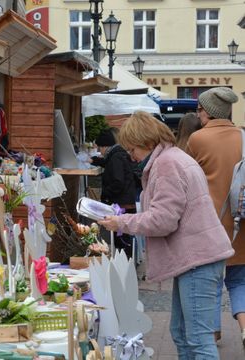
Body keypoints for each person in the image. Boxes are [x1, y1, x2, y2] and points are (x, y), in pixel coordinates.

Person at [98, 111, 234, 359]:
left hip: (197, 258)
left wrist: (121, 222)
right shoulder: (171, 158)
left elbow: (163, 220)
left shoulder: (166, 164)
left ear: (146, 142)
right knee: (183, 334)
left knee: (197, 339)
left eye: (133, 149)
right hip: (196, 257)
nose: (131, 156)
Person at [187, 86, 245, 347]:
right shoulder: (243, 137)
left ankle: (213, 332)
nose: (197, 114)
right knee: (239, 279)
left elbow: (187, 179)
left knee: (209, 281)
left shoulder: (198, 139)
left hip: (209, 224)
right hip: (240, 222)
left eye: (199, 109)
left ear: (208, 112)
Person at [91, 128, 137, 258]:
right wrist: (94, 160)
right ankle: (125, 267)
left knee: (122, 240)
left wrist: (105, 194)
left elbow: (118, 182)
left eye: (100, 148)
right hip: (125, 202)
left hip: (122, 206)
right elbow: (107, 163)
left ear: (105, 146)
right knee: (123, 240)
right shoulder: (116, 154)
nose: (100, 152)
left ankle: (125, 269)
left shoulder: (116, 157)